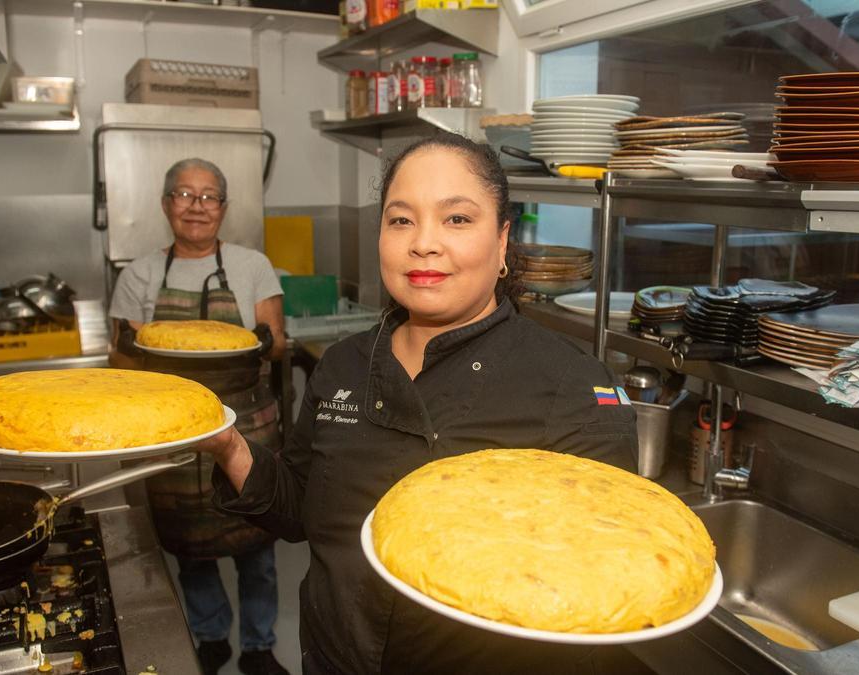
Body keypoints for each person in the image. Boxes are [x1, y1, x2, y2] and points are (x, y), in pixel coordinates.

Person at [197, 134, 642, 674]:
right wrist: (229, 448)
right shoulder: (342, 365)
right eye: (401, 220)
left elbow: (600, 584)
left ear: (503, 241)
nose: (423, 243)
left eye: (457, 219)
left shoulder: (573, 389)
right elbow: (300, 510)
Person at [109, 157, 290, 675]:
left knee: (258, 540)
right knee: (190, 546)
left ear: (224, 208)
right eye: (185, 195)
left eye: (209, 196)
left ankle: (259, 646)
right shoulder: (141, 273)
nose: (197, 207)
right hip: (171, 426)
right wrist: (151, 347)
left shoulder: (251, 265)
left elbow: (275, 344)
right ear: (167, 204)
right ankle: (210, 637)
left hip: (246, 423)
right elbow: (120, 360)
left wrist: (246, 343)